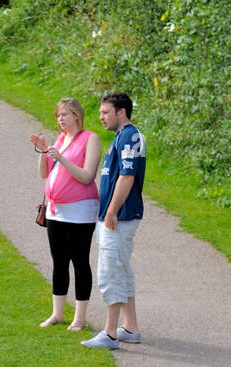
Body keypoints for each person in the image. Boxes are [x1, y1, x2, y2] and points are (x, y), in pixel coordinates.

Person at [29, 97, 101, 331]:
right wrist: (43, 151)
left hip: (79, 211)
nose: (60, 119)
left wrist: (61, 158)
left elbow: (87, 176)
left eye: (64, 115)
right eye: (58, 115)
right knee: (59, 261)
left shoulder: (90, 139)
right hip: (55, 211)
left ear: (77, 116)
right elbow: (44, 173)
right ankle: (57, 313)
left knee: (79, 262)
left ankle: (80, 317)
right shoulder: (60, 139)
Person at [83, 92, 146, 350]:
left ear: (121, 112)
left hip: (119, 218)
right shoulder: (120, 137)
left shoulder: (130, 136)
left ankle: (109, 334)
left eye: (105, 112)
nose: (101, 117)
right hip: (116, 216)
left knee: (110, 273)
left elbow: (127, 177)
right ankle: (130, 328)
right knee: (121, 269)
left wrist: (111, 211)